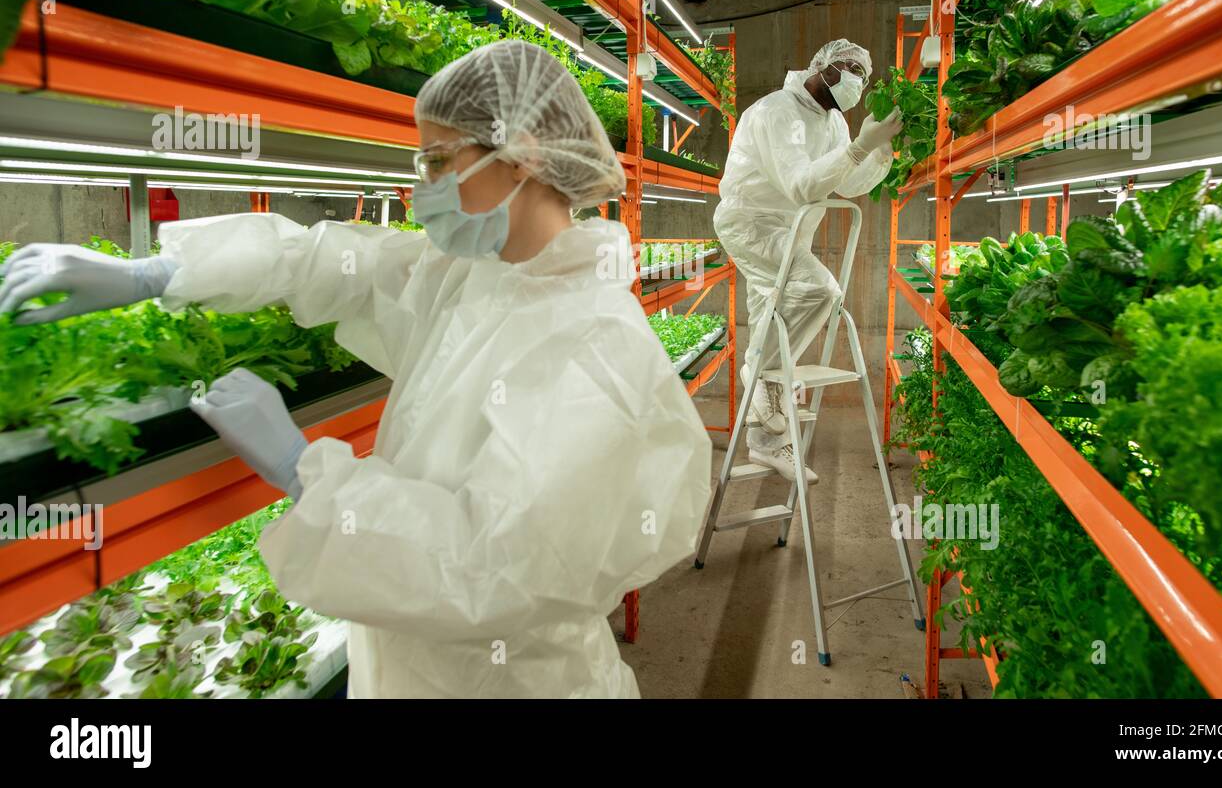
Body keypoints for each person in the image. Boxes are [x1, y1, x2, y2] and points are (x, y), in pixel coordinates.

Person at [0, 39, 712, 698]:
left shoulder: (591, 348)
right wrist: (157, 273)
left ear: (519, 154)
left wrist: (305, 472)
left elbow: (491, 572)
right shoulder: (478, 277)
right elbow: (336, 264)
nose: (420, 187)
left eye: (436, 161)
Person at [713, 38, 901, 483]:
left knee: (770, 318)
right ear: (823, 67)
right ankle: (759, 374)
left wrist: (877, 151)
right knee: (820, 290)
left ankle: (766, 446)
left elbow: (849, 183)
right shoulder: (776, 111)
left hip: (794, 233)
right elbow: (800, 184)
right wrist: (856, 148)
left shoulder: (833, 120)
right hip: (753, 226)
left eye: (863, 73)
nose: (858, 80)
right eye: (850, 69)